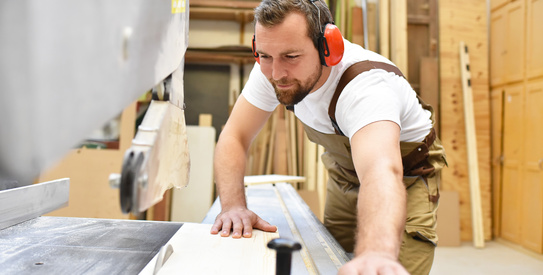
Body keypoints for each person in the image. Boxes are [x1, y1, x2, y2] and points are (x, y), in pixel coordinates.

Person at [210, 0, 447, 274]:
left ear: (328, 48)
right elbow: (234, 136)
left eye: (291, 56)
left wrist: (376, 253)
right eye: (264, 56)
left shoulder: (366, 87)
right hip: (344, 174)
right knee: (328, 260)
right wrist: (233, 207)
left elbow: (380, 170)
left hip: (405, 178)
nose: (276, 74)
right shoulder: (274, 68)